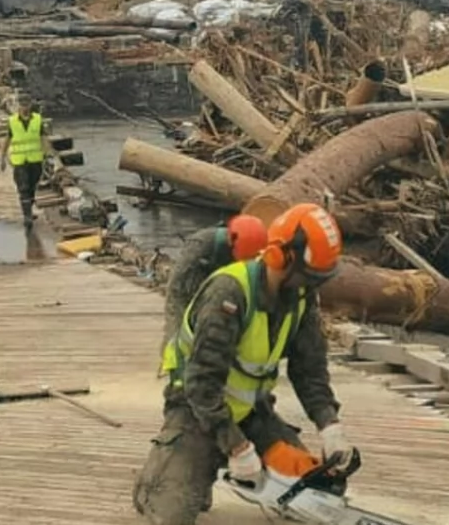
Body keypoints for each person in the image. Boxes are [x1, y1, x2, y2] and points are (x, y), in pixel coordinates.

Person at [133, 203, 354, 525]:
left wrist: (329, 425)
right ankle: (156, 483)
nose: (312, 285)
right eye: (308, 276)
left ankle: (217, 459)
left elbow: (310, 372)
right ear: (281, 257)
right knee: (173, 514)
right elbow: (201, 384)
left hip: (253, 414)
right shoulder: (230, 294)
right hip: (196, 411)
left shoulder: (302, 298)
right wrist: (235, 445)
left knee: (315, 486)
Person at [162, 215, 268, 355]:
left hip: (225, 289)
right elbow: (176, 292)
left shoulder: (259, 252)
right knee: (178, 335)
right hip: (192, 287)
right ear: (231, 241)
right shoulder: (201, 245)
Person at [0, 97, 50, 231]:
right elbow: (7, 139)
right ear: (18, 107)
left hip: (35, 159)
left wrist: (47, 154)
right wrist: (2, 157)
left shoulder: (37, 120)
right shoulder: (13, 121)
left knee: (32, 187)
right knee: (24, 188)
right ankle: (27, 216)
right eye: (22, 105)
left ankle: (29, 210)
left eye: (27, 105)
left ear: (30, 106)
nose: (24, 108)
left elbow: (43, 137)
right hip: (20, 161)